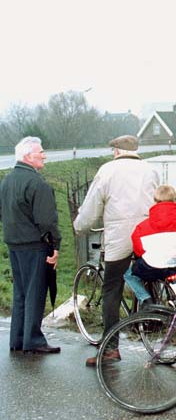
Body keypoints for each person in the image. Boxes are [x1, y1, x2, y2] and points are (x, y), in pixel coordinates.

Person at [74, 134, 159, 366]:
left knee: (112, 288)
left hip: (120, 236)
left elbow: (92, 206)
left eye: (113, 150)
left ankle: (111, 348)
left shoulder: (108, 170)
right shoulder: (150, 170)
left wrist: (80, 226)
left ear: (118, 151)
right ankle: (154, 310)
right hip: (147, 233)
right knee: (148, 271)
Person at [0, 137, 61, 354]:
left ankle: (18, 338)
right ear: (28, 156)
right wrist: (55, 245)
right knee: (35, 292)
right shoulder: (37, 183)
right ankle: (33, 340)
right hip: (34, 245)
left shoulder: (7, 181)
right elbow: (46, 220)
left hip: (13, 243)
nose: (44, 155)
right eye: (40, 152)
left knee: (21, 293)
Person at [124, 184, 176, 307]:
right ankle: (174, 297)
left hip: (151, 268)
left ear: (155, 201)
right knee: (171, 270)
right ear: (175, 200)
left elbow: (139, 252)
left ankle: (146, 299)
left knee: (128, 275)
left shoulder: (141, 228)